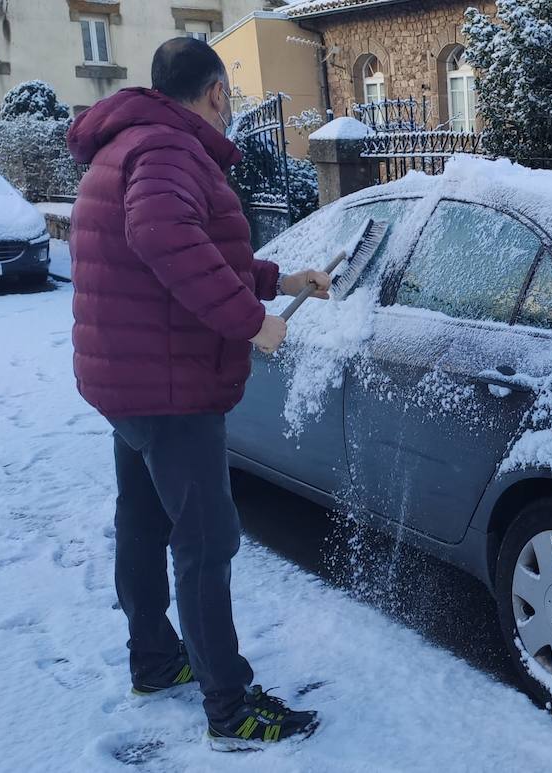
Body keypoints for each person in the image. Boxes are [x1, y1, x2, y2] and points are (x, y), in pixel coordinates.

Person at [67, 38, 329, 750]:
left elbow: (193, 250)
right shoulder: (169, 152)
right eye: (230, 97)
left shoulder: (129, 144)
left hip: (128, 379)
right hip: (171, 384)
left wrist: (280, 279)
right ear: (215, 92)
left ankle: (154, 660)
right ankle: (231, 708)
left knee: (145, 522)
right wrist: (254, 322)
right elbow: (162, 237)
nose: (231, 108)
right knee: (206, 542)